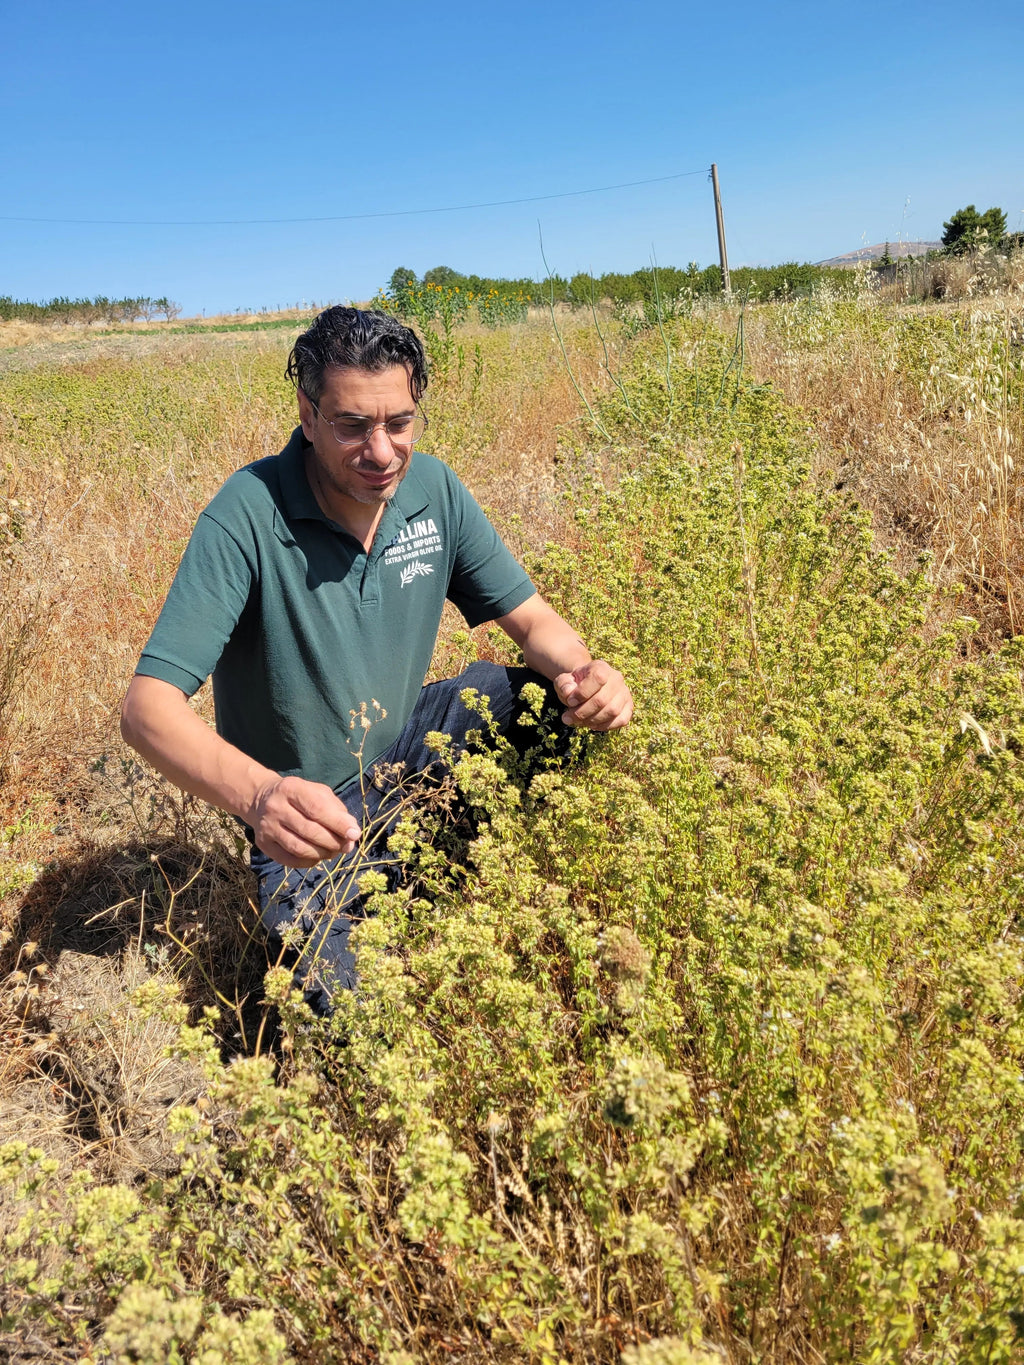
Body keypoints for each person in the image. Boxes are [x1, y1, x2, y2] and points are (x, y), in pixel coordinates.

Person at [121, 306, 632, 1010]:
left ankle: (451, 866)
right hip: (308, 817)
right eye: (352, 426)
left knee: (552, 705)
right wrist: (263, 797)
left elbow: (533, 618)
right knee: (349, 1012)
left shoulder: (434, 494)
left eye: (399, 423)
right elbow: (147, 708)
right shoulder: (247, 512)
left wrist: (590, 674)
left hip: (405, 749)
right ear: (307, 412)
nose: (382, 451)